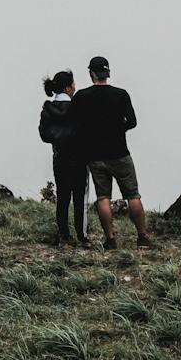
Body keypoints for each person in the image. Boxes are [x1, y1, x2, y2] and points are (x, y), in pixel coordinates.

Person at [72, 54, 151, 248]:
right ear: (107, 73)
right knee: (132, 195)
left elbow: (74, 124)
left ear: (91, 74)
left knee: (103, 197)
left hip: (95, 156)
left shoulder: (81, 96)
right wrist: (118, 128)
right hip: (119, 152)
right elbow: (132, 122)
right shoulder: (121, 94)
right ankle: (142, 236)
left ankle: (110, 239)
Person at [39, 70, 88, 247]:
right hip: (79, 157)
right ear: (68, 88)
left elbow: (44, 134)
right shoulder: (78, 107)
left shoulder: (48, 109)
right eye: (73, 84)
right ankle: (81, 236)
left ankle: (64, 235)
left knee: (63, 197)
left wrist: (59, 137)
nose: (75, 87)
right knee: (79, 198)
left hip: (59, 157)